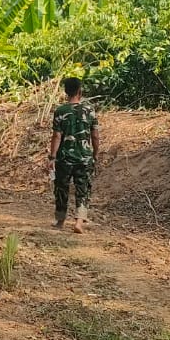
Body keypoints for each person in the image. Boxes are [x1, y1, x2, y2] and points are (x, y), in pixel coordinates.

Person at [47, 76, 99, 231]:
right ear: (80, 91)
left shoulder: (60, 111)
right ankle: (79, 222)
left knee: (61, 188)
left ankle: (60, 221)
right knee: (83, 188)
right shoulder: (89, 110)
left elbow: (57, 136)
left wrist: (52, 157)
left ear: (65, 92)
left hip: (64, 158)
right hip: (84, 157)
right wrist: (95, 154)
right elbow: (95, 135)